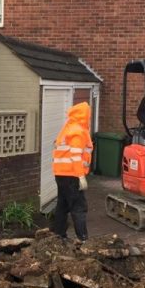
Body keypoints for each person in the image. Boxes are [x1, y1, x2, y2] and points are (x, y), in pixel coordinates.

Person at [52, 102, 93, 243]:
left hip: (60, 173)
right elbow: (75, 155)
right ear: (84, 115)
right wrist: (81, 176)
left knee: (62, 205)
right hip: (72, 174)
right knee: (79, 207)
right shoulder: (79, 132)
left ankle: (58, 236)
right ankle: (83, 239)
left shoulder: (67, 128)